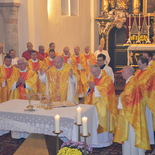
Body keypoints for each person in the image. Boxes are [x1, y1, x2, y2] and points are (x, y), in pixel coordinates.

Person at [114, 66, 150, 155]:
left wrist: (121, 96)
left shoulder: (132, 82)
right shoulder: (132, 80)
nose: (122, 74)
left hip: (132, 113)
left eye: (123, 72)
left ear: (128, 72)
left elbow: (128, 97)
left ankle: (132, 152)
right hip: (134, 110)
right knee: (131, 133)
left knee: (131, 133)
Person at [85, 65, 118, 147]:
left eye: (95, 72)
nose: (94, 74)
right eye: (92, 73)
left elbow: (107, 90)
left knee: (102, 119)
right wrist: (90, 88)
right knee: (94, 121)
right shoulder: (92, 77)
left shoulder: (106, 78)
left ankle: (104, 141)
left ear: (99, 69)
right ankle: (95, 141)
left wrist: (95, 87)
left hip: (104, 105)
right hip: (93, 104)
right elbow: (89, 89)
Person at [134, 56, 155, 145]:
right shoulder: (139, 72)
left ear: (145, 64)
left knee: (147, 120)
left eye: (140, 64)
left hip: (146, 100)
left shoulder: (150, 73)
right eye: (138, 64)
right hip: (138, 99)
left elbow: (146, 86)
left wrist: (136, 87)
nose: (138, 66)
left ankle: (149, 139)